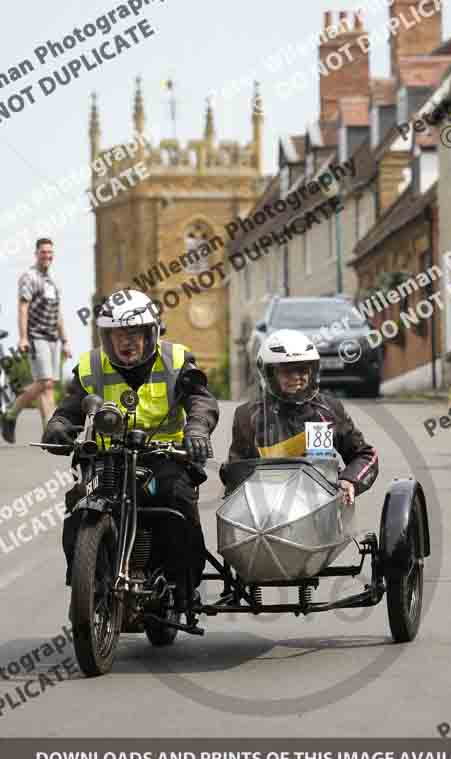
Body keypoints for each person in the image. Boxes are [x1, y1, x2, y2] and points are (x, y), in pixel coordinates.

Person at [41, 288, 219, 614]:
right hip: (107, 460)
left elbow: (201, 400)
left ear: (151, 334)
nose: (127, 342)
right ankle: (89, 589)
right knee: (79, 508)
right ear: (106, 337)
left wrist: (195, 429)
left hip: (164, 457)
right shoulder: (91, 365)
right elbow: (68, 409)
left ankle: (184, 584)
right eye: (117, 335)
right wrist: (58, 427)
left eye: (135, 333)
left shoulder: (176, 360)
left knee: (176, 501)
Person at [221, 329, 378, 503]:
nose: (297, 377)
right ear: (269, 373)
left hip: (321, 507)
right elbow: (236, 473)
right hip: (266, 510)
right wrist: (229, 473)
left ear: (312, 371)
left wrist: (350, 480)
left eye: (303, 370)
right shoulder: (248, 415)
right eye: (287, 371)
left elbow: (365, 455)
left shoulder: (327, 410)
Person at [1, 238, 71, 443]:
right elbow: (23, 307)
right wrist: (23, 337)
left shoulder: (53, 281)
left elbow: (58, 314)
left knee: (48, 386)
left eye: (50, 252)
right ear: (36, 254)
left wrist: (65, 340)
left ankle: (48, 432)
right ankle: (10, 414)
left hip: (53, 339)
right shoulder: (29, 277)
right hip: (36, 336)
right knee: (44, 382)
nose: (47, 256)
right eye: (43, 252)